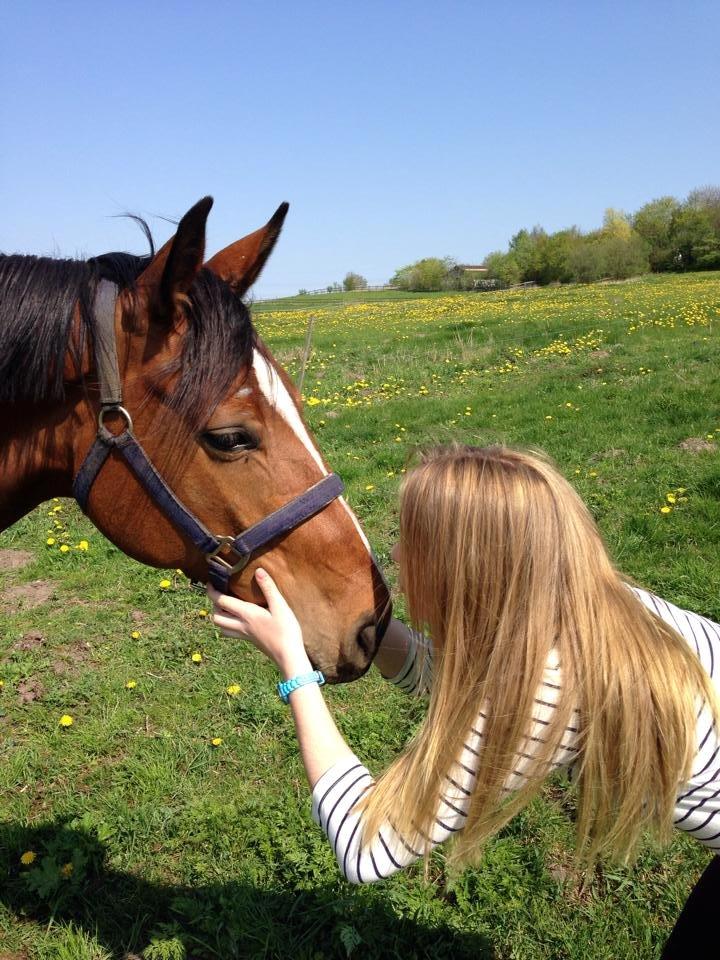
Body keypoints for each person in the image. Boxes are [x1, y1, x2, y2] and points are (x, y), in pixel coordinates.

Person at [208, 445, 720, 956]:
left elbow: (366, 844)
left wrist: (293, 666)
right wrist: (369, 630)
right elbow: (452, 680)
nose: (398, 558)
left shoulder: (551, 683)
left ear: (465, 568)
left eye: (413, 544)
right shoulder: (590, 607)